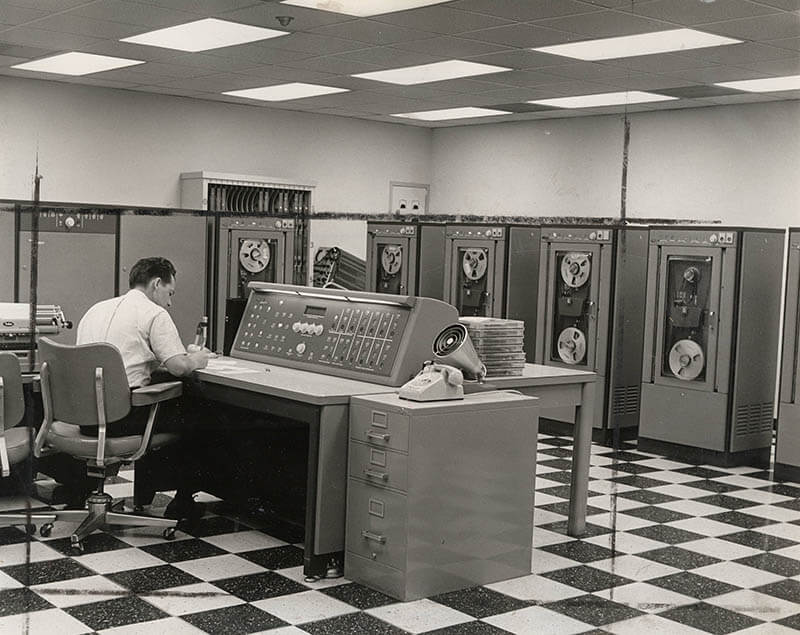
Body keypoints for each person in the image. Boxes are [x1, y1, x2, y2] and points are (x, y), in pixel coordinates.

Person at [70, 256, 215, 518]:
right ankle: (183, 504)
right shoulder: (154, 313)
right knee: (201, 413)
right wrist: (198, 358)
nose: (170, 302)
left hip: (85, 418)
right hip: (121, 418)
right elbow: (179, 368)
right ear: (157, 283)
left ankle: (133, 494)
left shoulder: (96, 309)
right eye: (170, 293)